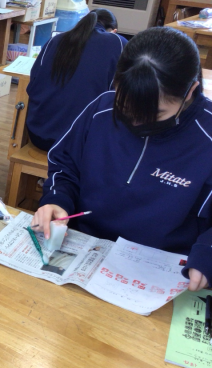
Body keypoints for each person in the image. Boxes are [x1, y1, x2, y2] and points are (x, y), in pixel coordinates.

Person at [31, 27, 212, 292]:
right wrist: (57, 199)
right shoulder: (102, 108)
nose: (137, 122)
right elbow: (65, 163)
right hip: (84, 249)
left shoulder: (207, 138)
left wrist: (208, 252)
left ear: (190, 91)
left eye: (155, 114)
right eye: (126, 109)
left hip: (160, 268)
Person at [26, 8, 127, 151]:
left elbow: (33, 84)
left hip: (38, 135)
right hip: (79, 144)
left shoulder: (56, 40)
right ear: (113, 31)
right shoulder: (117, 43)